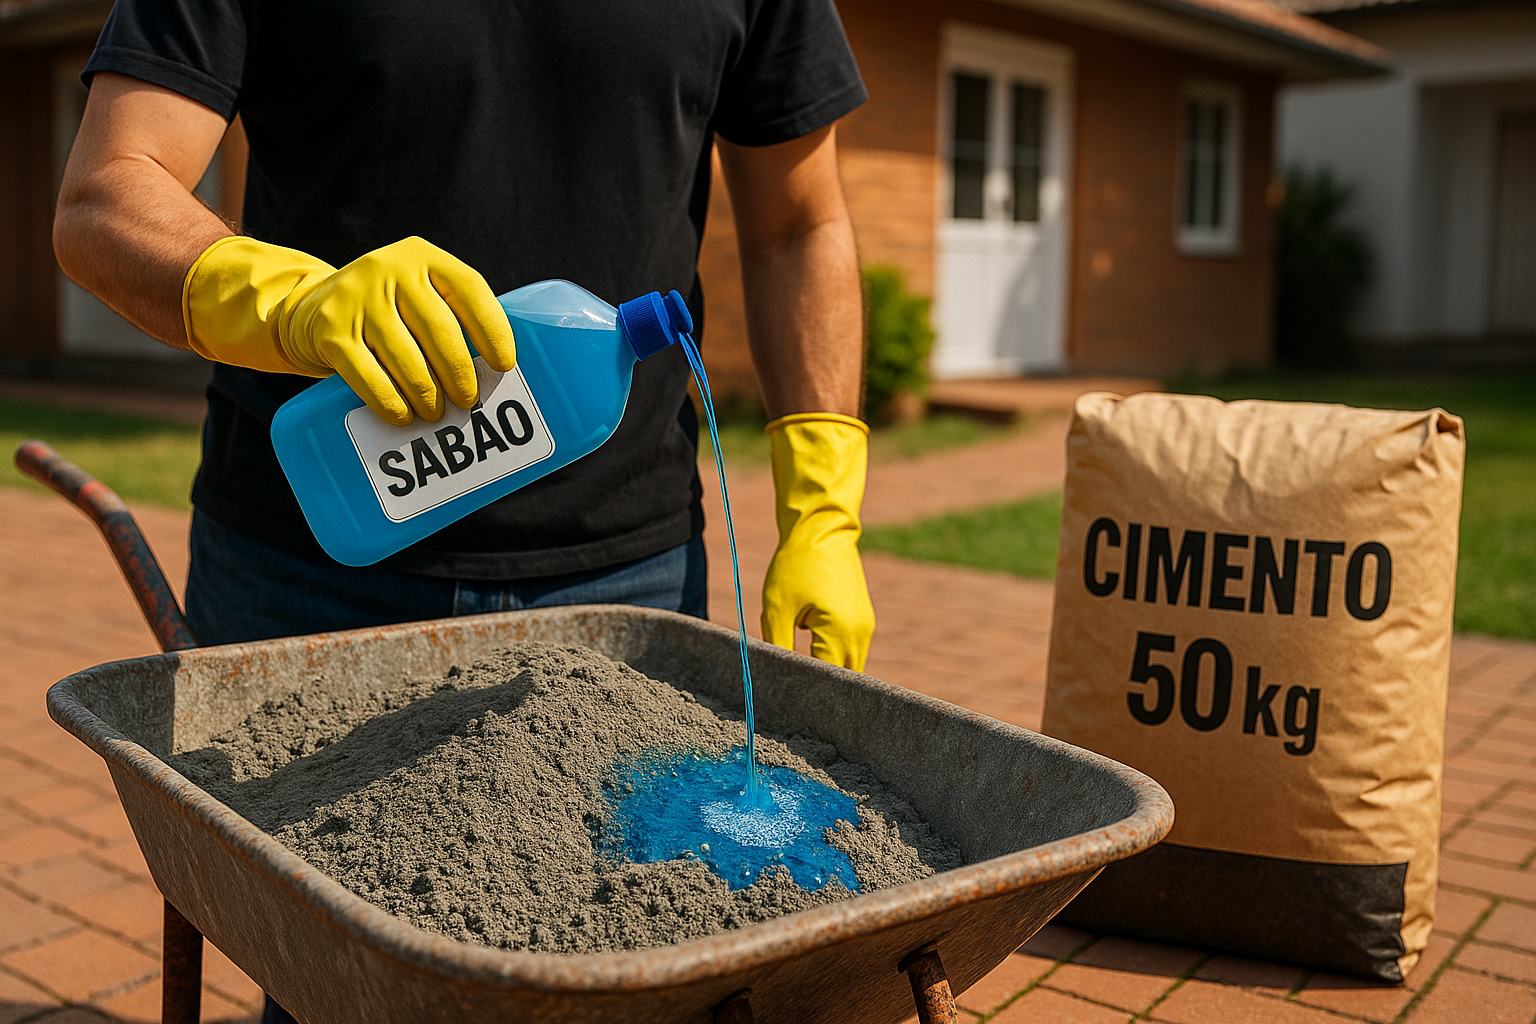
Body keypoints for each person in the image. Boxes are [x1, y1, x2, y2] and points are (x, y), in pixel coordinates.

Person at [55, 2, 875, 1019]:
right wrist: (292, 301)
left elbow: (800, 224)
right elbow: (107, 193)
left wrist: (823, 507)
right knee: (333, 986)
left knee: (616, 965)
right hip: (309, 571)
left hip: (624, 590)